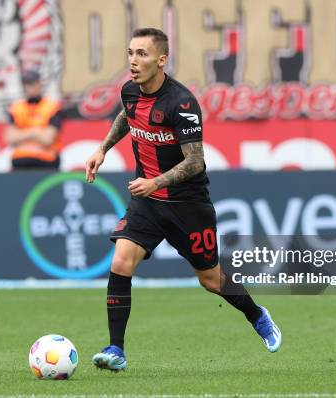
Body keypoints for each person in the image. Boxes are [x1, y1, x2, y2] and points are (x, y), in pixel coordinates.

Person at [85, 28, 282, 372]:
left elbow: (194, 162)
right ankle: (116, 349)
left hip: (187, 205)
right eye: (130, 52)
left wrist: (155, 182)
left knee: (210, 280)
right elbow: (126, 116)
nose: (133, 61)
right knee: (121, 263)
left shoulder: (182, 103)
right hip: (147, 203)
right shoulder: (129, 92)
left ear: (161, 60)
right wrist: (102, 148)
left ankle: (257, 315)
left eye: (142, 54)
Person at [5, 70, 64, 171]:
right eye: (27, 84)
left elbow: (48, 139)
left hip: (47, 160)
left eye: (33, 83)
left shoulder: (52, 107)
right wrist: (36, 132)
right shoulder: (16, 108)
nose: (30, 87)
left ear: (39, 83)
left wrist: (22, 134)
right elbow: (10, 138)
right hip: (20, 161)